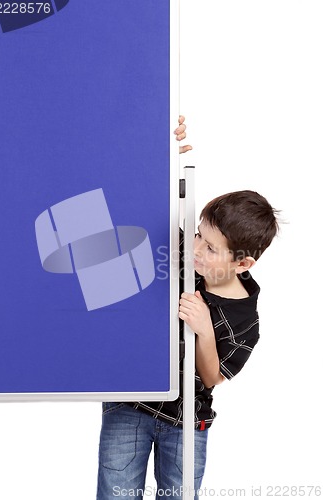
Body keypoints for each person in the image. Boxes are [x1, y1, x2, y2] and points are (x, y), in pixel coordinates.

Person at [96, 117, 279, 499]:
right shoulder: (181, 258)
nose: (196, 248)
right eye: (198, 234)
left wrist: (205, 329)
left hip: (186, 422)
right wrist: (157, 151)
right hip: (131, 402)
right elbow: (141, 197)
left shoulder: (247, 318)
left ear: (242, 263)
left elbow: (212, 377)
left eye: (210, 248)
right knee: (116, 494)